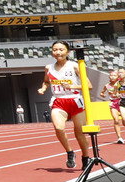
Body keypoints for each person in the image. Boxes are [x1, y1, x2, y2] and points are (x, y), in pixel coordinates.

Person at [37, 40, 91, 170]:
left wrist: (72, 86)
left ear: (68, 51)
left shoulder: (75, 66)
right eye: (55, 49)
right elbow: (46, 82)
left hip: (75, 100)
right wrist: (43, 88)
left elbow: (89, 86)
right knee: (59, 128)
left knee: (79, 133)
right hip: (59, 101)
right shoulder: (48, 67)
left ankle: (85, 157)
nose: (58, 52)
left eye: (61, 49)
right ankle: (70, 152)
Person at [98, 69, 125, 144]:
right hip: (113, 103)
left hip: (122, 102)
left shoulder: (120, 84)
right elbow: (102, 93)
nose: (113, 77)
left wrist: (118, 93)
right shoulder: (106, 85)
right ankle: (120, 138)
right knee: (116, 120)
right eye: (111, 75)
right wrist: (103, 95)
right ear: (109, 77)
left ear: (118, 77)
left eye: (115, 75)